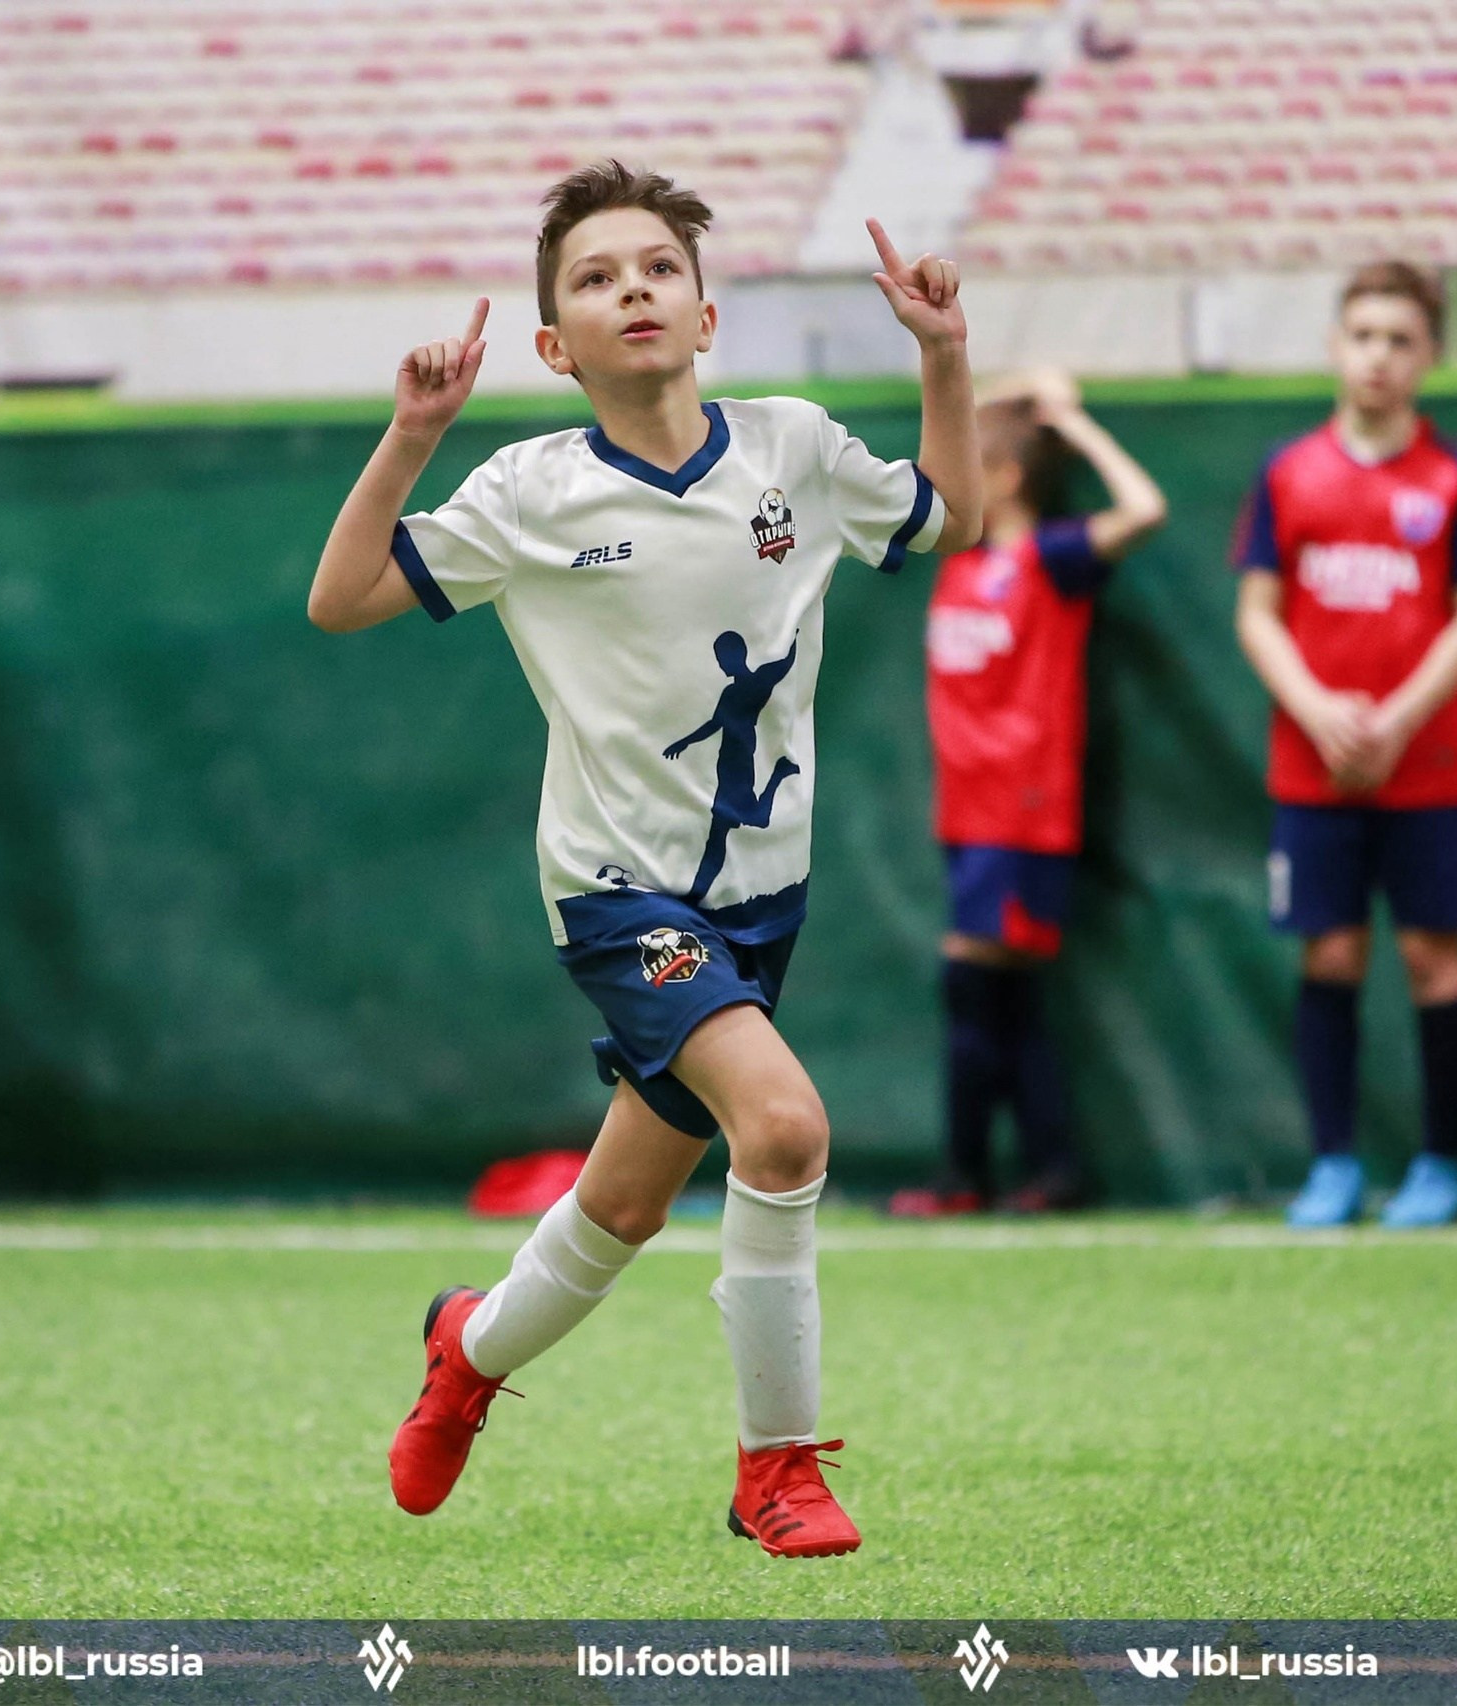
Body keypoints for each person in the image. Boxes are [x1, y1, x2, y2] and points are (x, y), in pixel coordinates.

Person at [306, 160, 981, 1557]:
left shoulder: (790, 447)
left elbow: (949, 516)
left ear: (706, 311)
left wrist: (944, 358)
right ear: (555, 344)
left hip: (763, 899)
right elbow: (340, 599)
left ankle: (468, 1353)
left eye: (657, 269)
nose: (634, 291)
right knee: (784, 1128)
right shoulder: (529, 488)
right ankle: (774, 1468)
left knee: (619, 1205)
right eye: (598, 278)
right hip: (620, 897)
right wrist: (410, 435)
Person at [1232, 260, 1457, 1228]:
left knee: (1435, 958)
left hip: (1427, 767)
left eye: (1400, 339)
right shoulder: (1288, 471)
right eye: (1363, 335)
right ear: (1334, 346)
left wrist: (1395, 718)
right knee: (1332, 955)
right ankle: (1333, 1166)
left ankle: (1441, 1163)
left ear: (1430, 355)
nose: (1379, 357)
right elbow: (1258, 611)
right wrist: (1317, 708)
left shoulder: (1456, 475)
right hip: (1313, 769)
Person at [889, 368, 1166, 1217]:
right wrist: (1003, 388)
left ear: (1005, 476)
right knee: (1003, 1000)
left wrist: (1071, 421)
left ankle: (973, 1174)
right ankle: (1039, 1171)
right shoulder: (960, 563)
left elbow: (1144, 509)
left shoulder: (1049, 559)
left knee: (979, 987)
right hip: (967, 815)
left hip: (1022, 811)